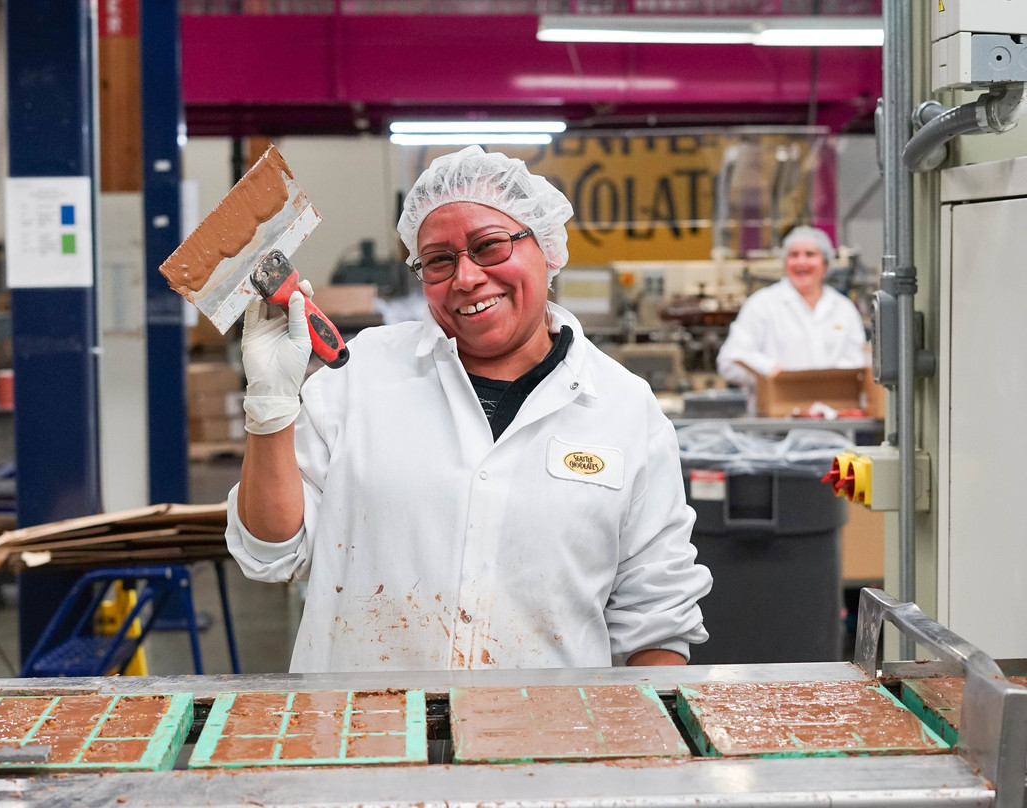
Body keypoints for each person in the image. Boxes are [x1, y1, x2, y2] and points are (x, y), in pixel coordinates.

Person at [226, 145, 712, 672]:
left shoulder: (624, 409)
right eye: (439, 260)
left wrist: (641, 749)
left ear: (547, 250)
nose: (466, 278)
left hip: (549, 742)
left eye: (490, 246)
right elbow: (272, 553)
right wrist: (271, 408)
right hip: (364, 735)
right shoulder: (359, 377)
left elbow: (657, 617)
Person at [716, 226, 868, 390]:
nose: (801, 262)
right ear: (785, 262)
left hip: (834, 410)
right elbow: (730, 360)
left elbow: (858, 360)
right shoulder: (761, 304)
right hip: (776, 412)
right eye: (793, 255)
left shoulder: (843, 308)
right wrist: (771, 371)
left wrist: (829, 381)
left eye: (810, 254)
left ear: (825, 263)